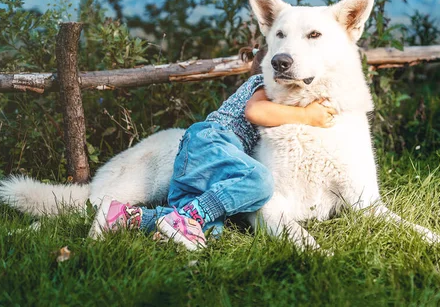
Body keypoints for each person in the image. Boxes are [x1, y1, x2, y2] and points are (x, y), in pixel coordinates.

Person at [92, 46, 337, 250]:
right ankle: (189, 217)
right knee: (258, 180)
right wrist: (307, 115)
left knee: (207, 233)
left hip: (199, 159)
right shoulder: (262, 84)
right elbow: (256, 112)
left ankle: (123, 217)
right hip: (213, 140)